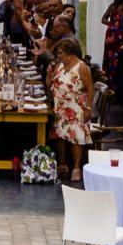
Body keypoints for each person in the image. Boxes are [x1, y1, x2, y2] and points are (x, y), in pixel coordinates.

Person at [50, 35, 95, 186]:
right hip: (61, 107)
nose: (58, 56)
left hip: (76, 107)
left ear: (70, 53)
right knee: (60, 136)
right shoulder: (59, 66)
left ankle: (76, 166)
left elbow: (90, 88)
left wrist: (88, 108)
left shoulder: (81, 67)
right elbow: (52, 83)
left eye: (61, 53)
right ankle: (63, 164)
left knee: (76, 137)